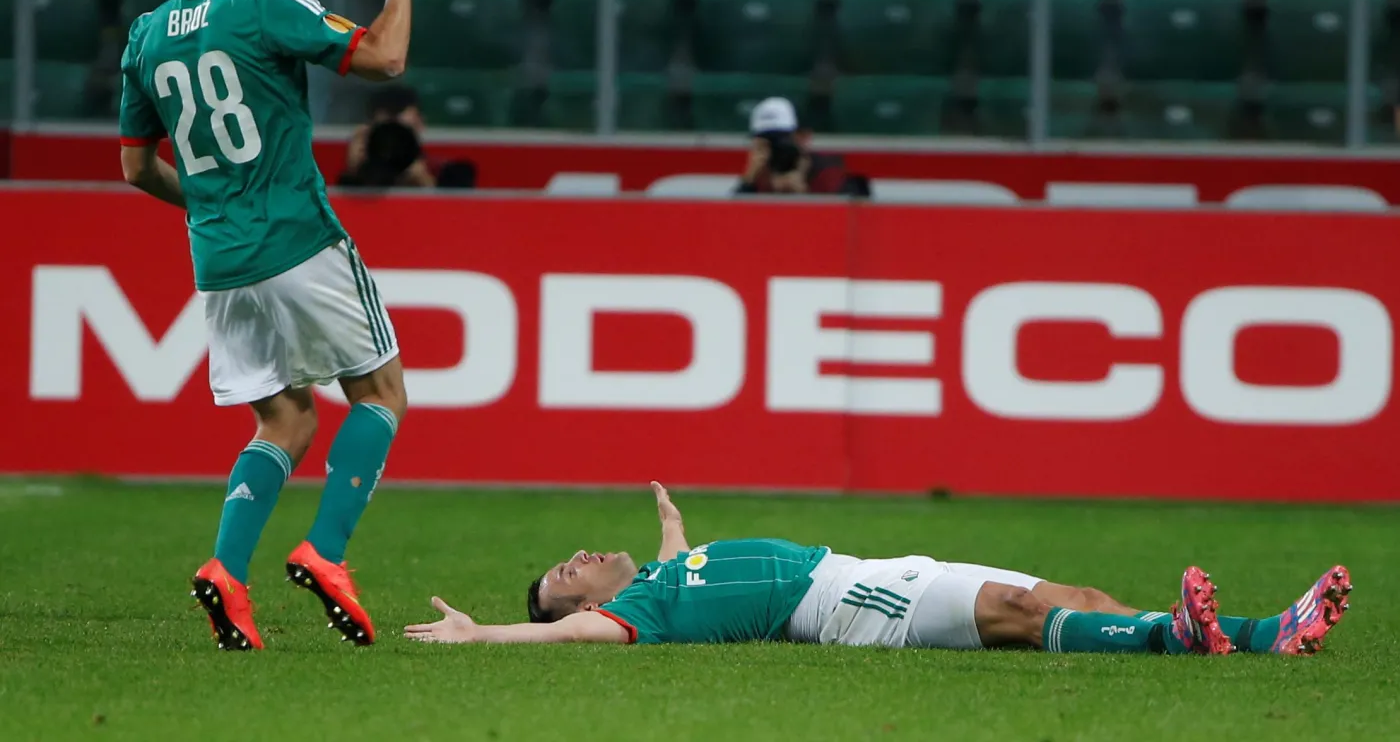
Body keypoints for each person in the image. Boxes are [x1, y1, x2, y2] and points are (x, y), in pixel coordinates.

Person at [118, 0, 413, 650]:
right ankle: (328, 552)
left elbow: (136, 170)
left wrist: (216, 202)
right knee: (380, 392)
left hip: (219, 260)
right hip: (299, 238)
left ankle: (228, 570)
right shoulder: (263, 3)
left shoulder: (145, 34)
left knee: (283, 417)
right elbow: (385, 58)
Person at [406, 483, 1352, 657]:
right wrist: (482, 632)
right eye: (563, 574)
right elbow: (571, 630)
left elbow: (667, 566)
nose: (574, 563)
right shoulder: (636, 617)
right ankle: (1181, 639)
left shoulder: (657, 579)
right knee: (1023, 613)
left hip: (866, 568)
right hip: (847, 603)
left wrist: (668, 530)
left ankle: (1264, 634)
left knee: (1074, 598)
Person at [735, 97, 847, 195]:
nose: (774, 148)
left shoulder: (826, 172)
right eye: (766, 142)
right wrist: (748, 180)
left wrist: (805, 194)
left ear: (803, 136)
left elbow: (846, 214)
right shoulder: (759, 174)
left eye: (780, 139)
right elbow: (732, 214)